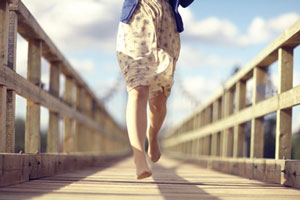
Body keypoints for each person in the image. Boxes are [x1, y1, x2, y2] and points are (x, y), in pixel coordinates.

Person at [116, 0, 194, 180]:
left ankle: (153, 134)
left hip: (166, 20)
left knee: (159, 99)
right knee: (138, 87)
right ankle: (139, 156)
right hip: (137, 14)